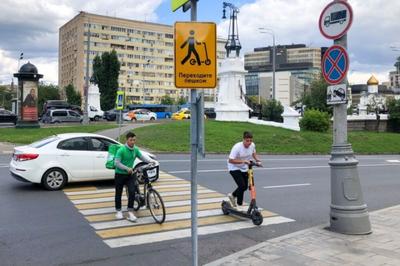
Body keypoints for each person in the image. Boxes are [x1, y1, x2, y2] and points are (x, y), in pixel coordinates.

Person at [114, 131, 155, 222]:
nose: (133, 142)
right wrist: (126, 168)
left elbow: (142, 157)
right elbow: (116, 163)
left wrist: (150, 161)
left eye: (134, 140)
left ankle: (130, 211)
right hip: (120, 174)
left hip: (130, 175)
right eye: (131, 140)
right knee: (118, 193)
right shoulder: (121, 150)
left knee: (132, 192)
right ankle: (118, 211)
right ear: (127, 140)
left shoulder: (135, 149)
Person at [227, 131, 261, 210]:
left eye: (250, 140)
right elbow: (230, 160)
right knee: (242, 185)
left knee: (244, 187)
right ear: (243, 140)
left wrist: (258, 160)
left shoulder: (252, 145)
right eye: (247, 141)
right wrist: (243, 161)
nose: (249, 143)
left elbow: (253, 153)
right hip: (234, 167)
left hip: (244, 167)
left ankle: (235, 199)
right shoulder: (237, 147)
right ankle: (236, 200)